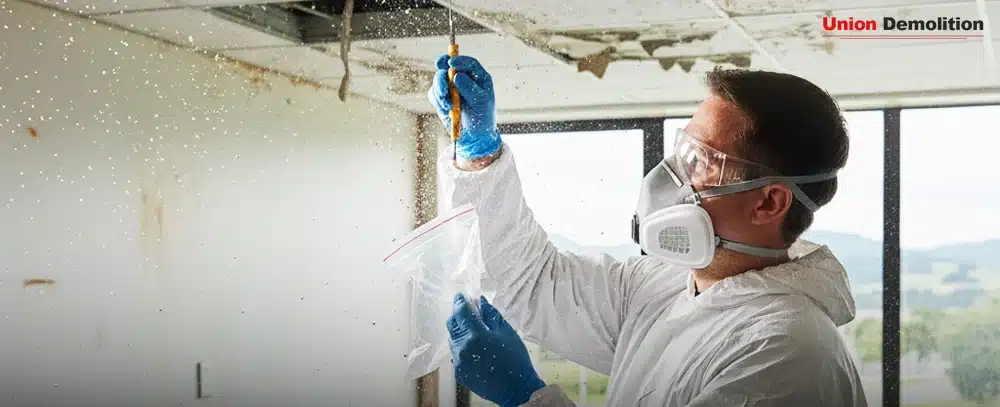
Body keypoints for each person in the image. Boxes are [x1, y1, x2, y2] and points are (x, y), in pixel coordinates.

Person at [430, 54, 867, 407]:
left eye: (701, 160)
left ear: (769, 202)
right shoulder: (663, 286)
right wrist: (480, 155)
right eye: (683, 149)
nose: (670, 174)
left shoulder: (788, 352)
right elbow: (535, 284)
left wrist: (527, 398)